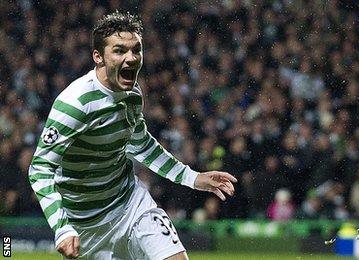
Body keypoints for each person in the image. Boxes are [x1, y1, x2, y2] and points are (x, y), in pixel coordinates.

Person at [28, 11, 237, 259]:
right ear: (98, 57)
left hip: (131, 205)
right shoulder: (75, 104)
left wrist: (192, 177)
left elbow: (140, 144)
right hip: (85, 227)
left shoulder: (133, 94)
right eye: (119, 51)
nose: (131, 58)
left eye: (136, 49)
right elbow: (40, 169)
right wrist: (62, 228)